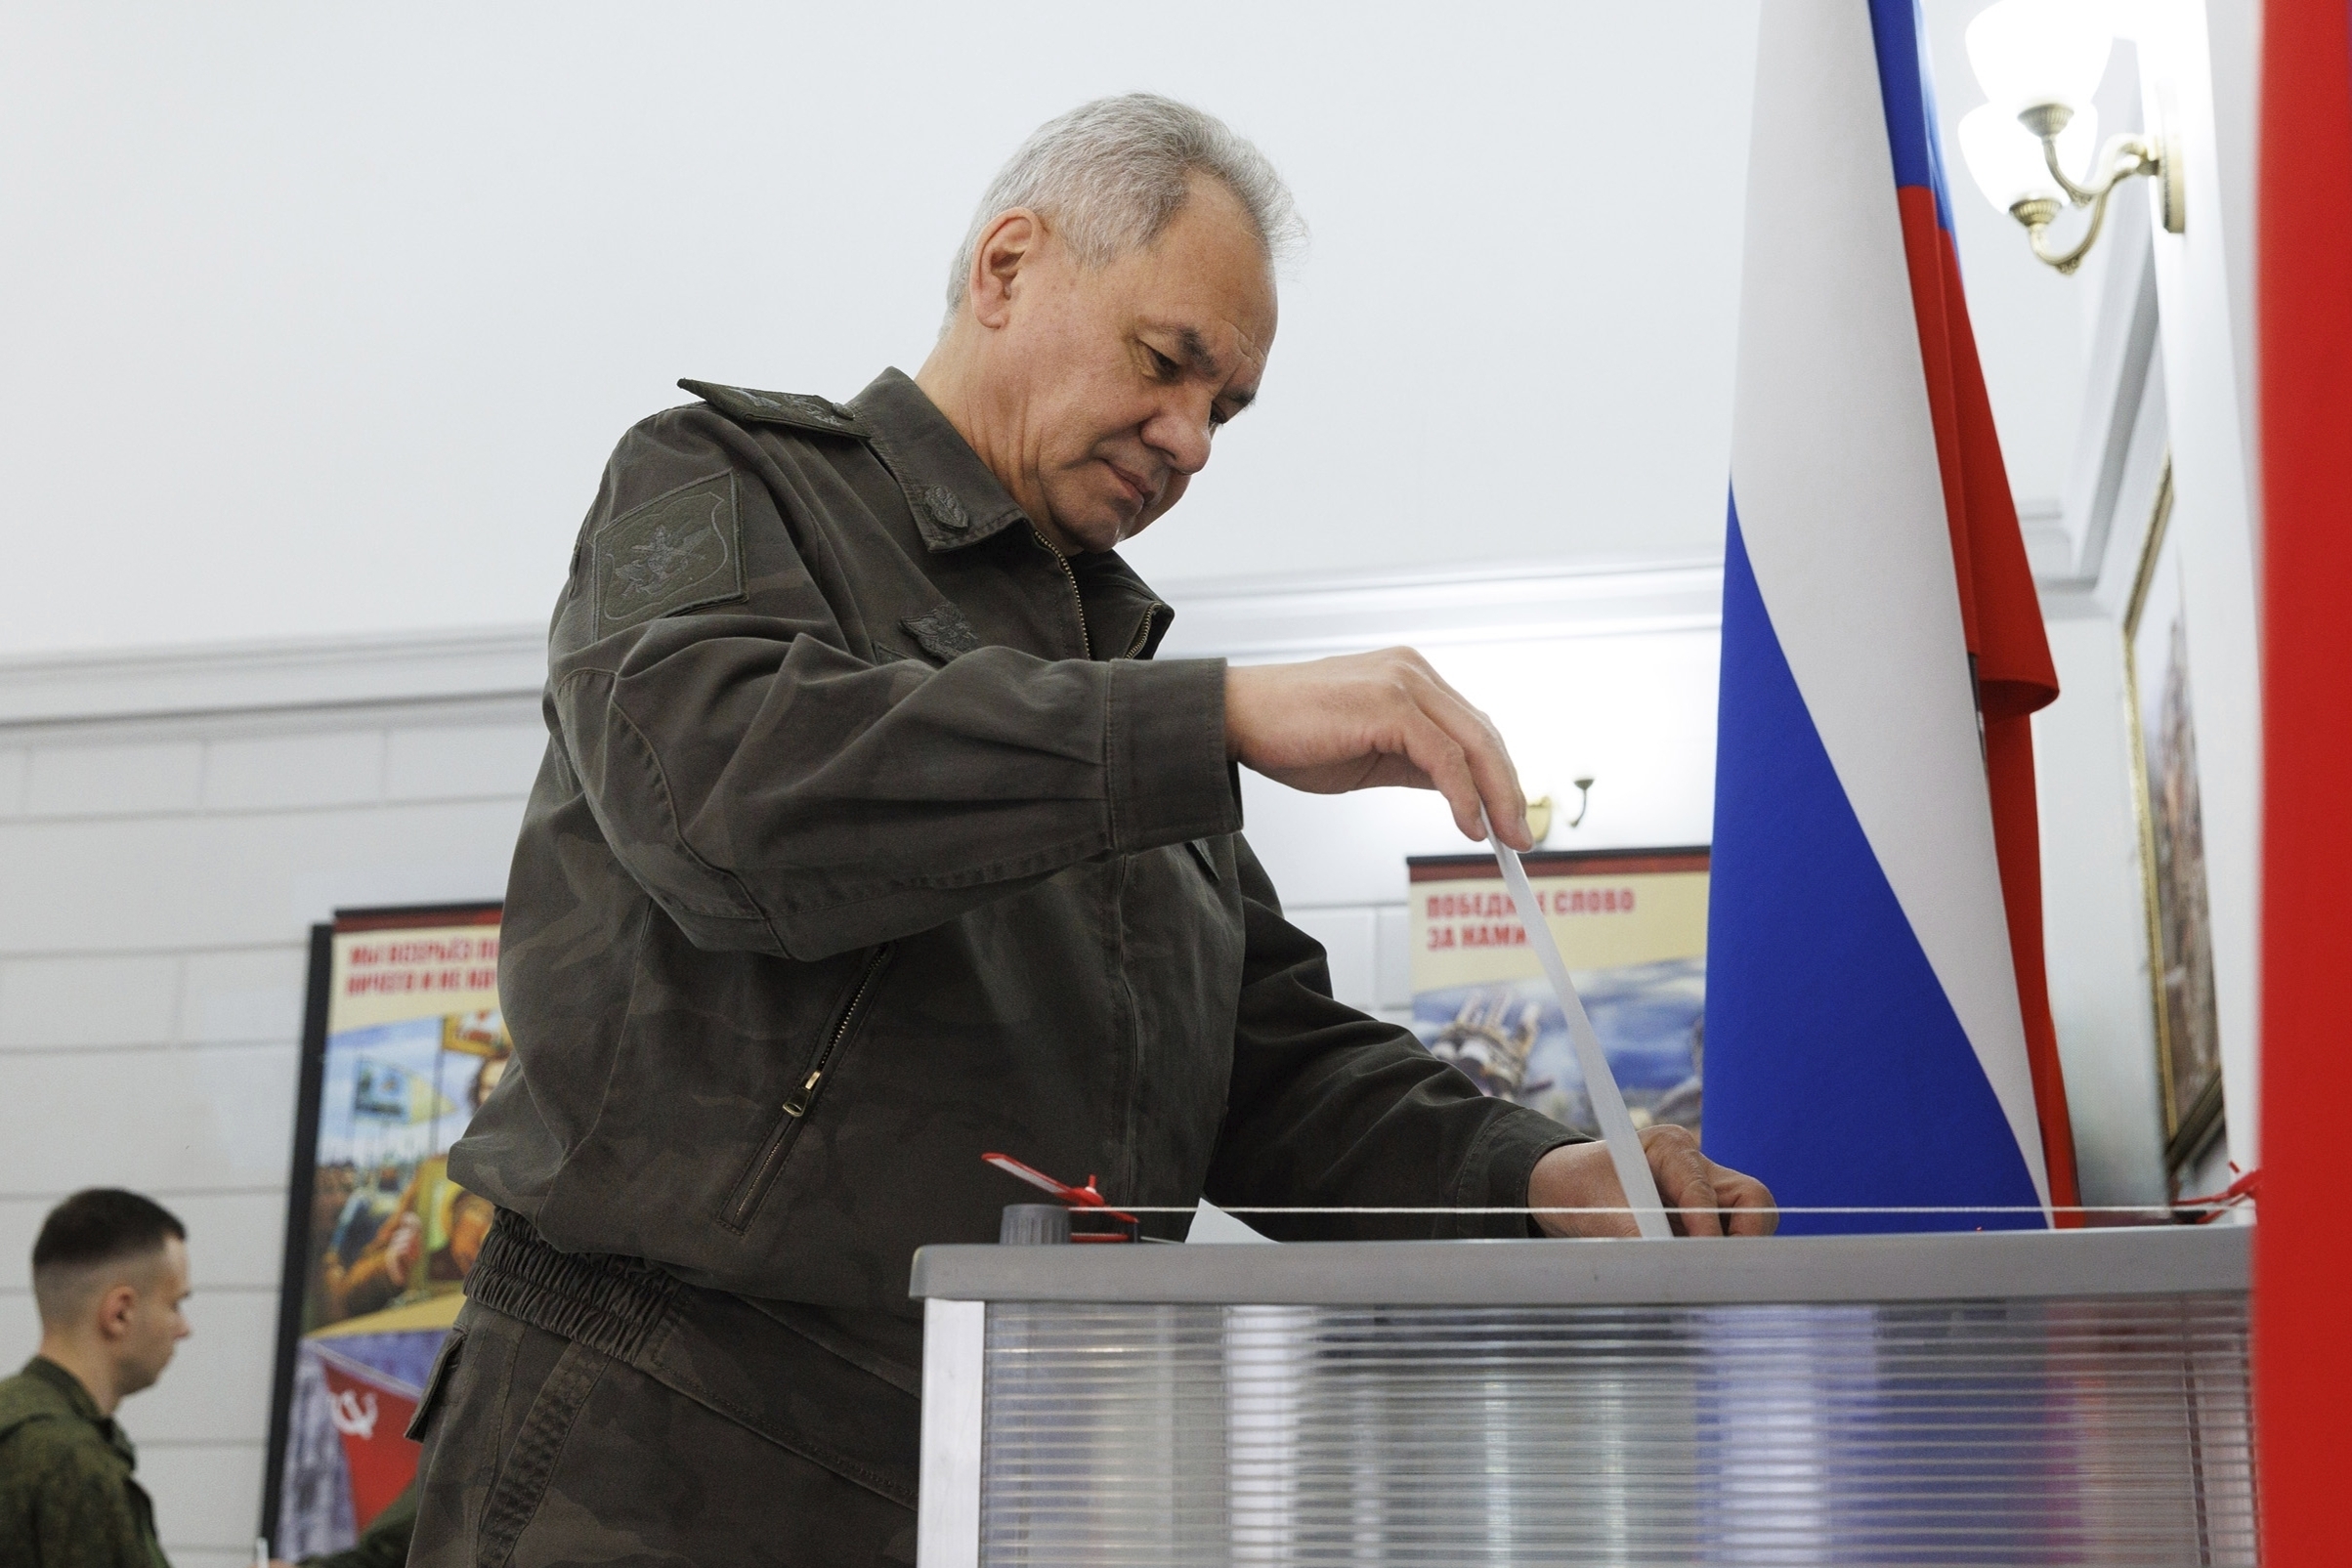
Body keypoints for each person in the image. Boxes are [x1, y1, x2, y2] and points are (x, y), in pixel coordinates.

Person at [413, 92, 1775, 1565]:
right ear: (1006, 267)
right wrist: (1214, 718)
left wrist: (1527, 1176)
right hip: (667, 1453)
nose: (1188, 439)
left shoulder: (1107, 689)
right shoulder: (724, 480)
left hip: (1017, 1464)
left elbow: (1264, 1063)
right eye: (1165, 362)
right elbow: (719, 791)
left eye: (1225, 410)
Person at [0, 1190, 192, 1568]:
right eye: (175, 1304)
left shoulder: (14, 1415)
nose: (184, 1328)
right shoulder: (75, 1466)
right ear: (120, 1313)